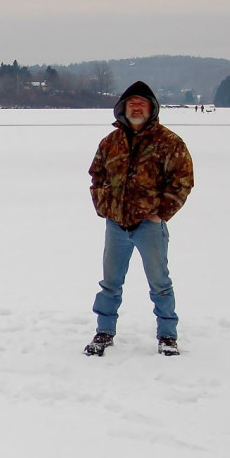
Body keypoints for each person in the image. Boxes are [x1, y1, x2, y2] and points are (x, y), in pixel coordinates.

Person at [85, 81, 194, 356]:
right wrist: (104, 204)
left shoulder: (169, 142)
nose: (136, 107)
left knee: (160, 284)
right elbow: (97, 175)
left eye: (142, 103)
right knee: (110, 284)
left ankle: (168, 336)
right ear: (123, 108)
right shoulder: (110, 143)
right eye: (131, 102)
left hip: (149, 226)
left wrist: (162, 213)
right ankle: (104, 332)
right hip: (116, 225)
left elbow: (182, 180)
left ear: (151, 109)